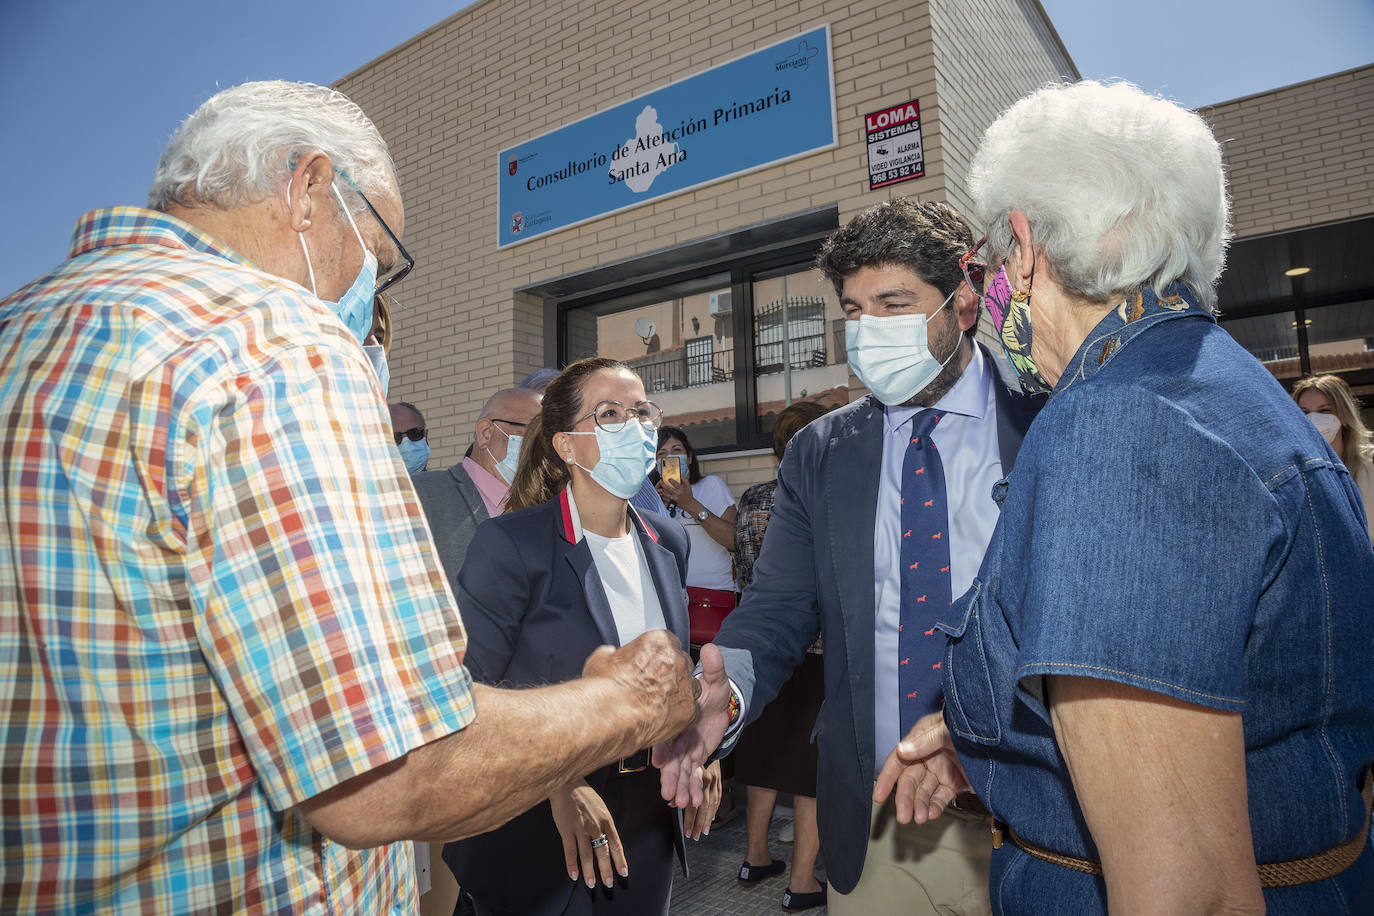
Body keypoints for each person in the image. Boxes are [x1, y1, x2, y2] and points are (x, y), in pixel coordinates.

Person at [0, 79, 698, 914]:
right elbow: (388, 773)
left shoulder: (24, 329)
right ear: (308, 190)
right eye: (381, 251)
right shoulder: (276, 343)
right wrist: (631, 701)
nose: (373, 288)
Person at [877, 80, 1374, 914]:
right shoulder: (1222, 386)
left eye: (986, 264)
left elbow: (1191, 887)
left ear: (1024, 247)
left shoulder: (1122, 426)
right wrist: (996, 745)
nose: (986, 293)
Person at [655, 198, 1043, 915]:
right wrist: (726, 692)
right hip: (879, 819)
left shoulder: (1048, 419)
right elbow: (776, 610)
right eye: (854, 311)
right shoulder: (822, 452)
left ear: (963, 299)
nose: (869, 331)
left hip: (1036, 819)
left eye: (894, 303)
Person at [441, 358, 721, 916]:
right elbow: (466, 693)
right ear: (566, 446)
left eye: (642, 411)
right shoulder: (512, 544)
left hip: (646, 815)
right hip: (536, 821)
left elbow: (670, 676)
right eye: (610, 414)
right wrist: (558, 784)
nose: (635, 425)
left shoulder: (667, 539)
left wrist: (698, 748)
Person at [731, 400, 829, 911]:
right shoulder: (823, 496)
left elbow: (741, 569)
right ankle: (803, 882)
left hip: (760, 647)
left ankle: (753, 855)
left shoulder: (751, 498)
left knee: (766, 758)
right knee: (809, 769)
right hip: (816, 652)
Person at [411, 386, 543, 594]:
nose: (539, 449)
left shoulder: (546, 507)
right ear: (485, 433)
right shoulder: (422, 494)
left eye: (546, 439)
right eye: (530, 434)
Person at [654, 425, 739, 645]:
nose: (670, 457)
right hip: (669, 601)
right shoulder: (650, 498)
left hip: (712, 596)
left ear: (689, 457)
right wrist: (654, 510)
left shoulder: (711, 486)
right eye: (662, 454)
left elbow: (733, 539)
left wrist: (690, 504)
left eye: (677, 451)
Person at [1292, 374, 1374, 543]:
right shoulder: (1294, 474)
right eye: (1304, 412)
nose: (1313, 419)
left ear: (1344, 415)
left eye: (1325, 410)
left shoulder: (1370, 463)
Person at [390, 399, 431, 473]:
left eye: (414, 433)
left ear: (425, 436)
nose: (407, 445)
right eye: (395, 437)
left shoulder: (449, 483)